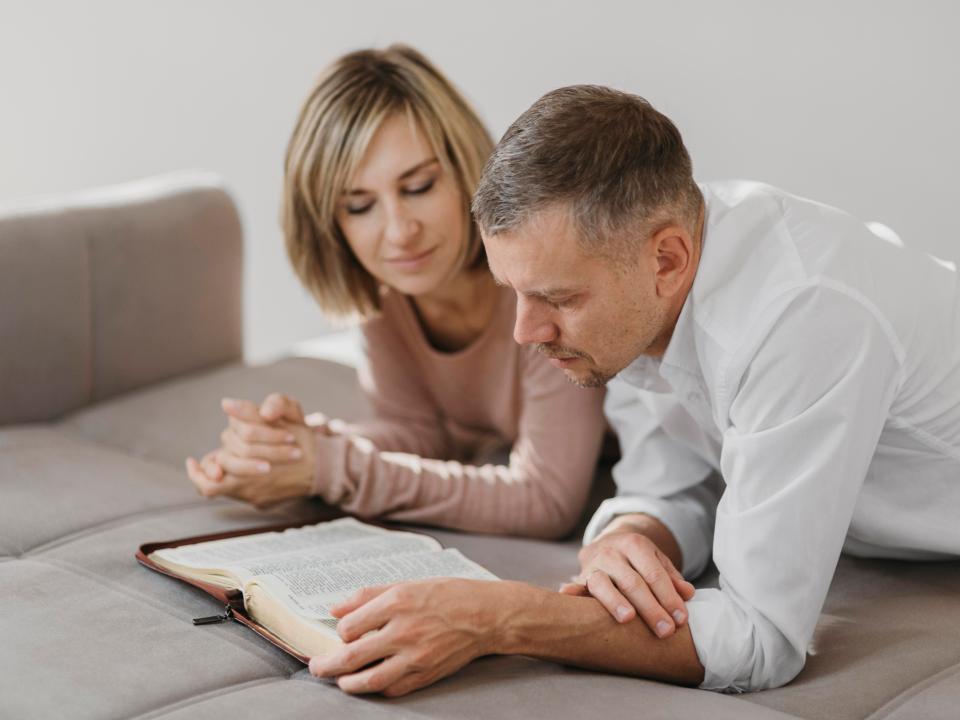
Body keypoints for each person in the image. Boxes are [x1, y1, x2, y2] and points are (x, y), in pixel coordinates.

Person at [307, 84, 960, 697]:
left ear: (667, 260)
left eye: (557, 298)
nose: (525, 333)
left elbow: (760, 639)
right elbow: (679, 482)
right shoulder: (641, 297)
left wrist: (499, 618)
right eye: (514, 292)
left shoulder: (803, 318)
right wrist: (629, 536)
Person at [185, 47, 607, 540]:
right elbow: (420, 433)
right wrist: (298, 448)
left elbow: (545, 499)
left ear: (466, 168)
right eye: (360, 206)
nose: (399, 232)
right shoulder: (388, 297)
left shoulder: (537, 285)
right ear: (331, 223)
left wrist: (330, 468)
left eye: (419, 186)